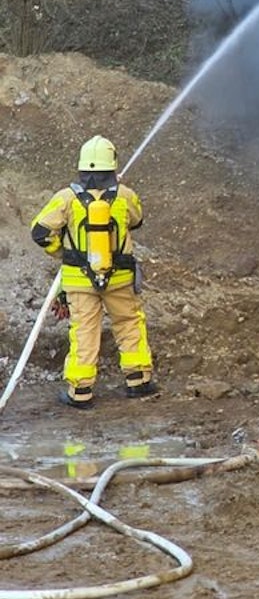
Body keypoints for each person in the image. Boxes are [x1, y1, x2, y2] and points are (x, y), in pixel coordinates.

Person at [30, 135, 157, 409]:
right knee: (128, 323)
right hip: (120, 277)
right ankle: (138, 381)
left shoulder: (66, 198)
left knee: (84, 330)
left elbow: (39, 231)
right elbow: (137, 220)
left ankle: (80, 391)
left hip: (78, 280)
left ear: (82, 167)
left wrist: (61, 252)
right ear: (111, 166)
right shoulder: (125, 196)